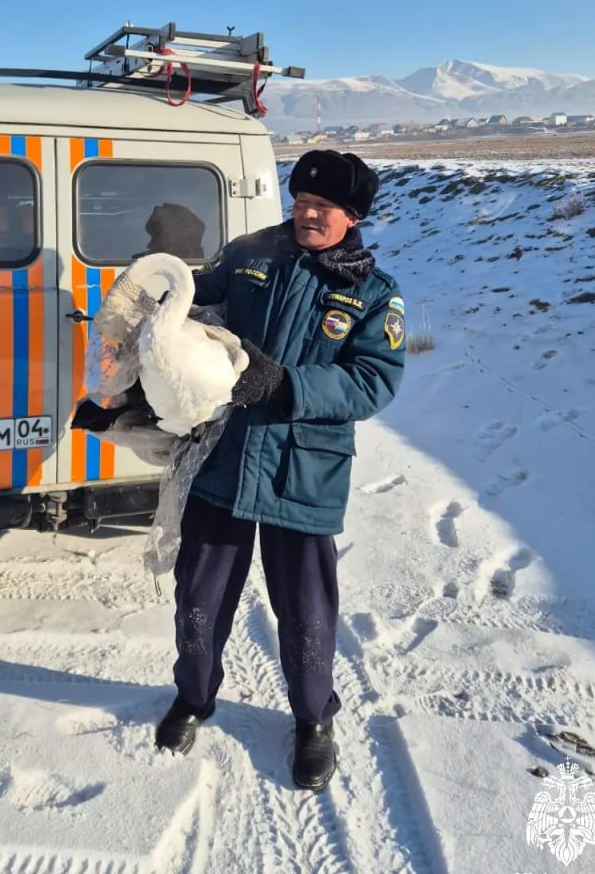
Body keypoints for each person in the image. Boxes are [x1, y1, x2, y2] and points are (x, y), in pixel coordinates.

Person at [154, 149, 406, 790]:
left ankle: (314, 720)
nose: (307, 214)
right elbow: (192, 312)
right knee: (199, 598)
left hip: (303, 471)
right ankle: (193, 697)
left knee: (306, 611)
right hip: (225, 455)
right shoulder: (249, 254)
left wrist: (286, 384)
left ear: (353, 216)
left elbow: (373, 382)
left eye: (323, 206)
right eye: (300, 201)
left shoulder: (373, 294)